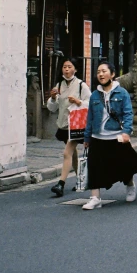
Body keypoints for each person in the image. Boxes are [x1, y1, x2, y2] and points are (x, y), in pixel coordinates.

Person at [82, 62, 137, 210]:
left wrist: (127, 132)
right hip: (98, 136)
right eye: (98, 71)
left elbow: (128, 114)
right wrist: (87, 137)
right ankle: (95, 198)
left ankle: (130, 184)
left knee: (124, 165)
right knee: (94, 167)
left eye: (104, 71)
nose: (100, 74)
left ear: (112, 74)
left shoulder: (122, 93)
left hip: (116, 136)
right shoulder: (94, 95)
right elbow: (90, 118)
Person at [46, 57, 91, 197]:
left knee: (67, 153)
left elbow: (90, 103)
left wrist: (78, 102)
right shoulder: (59, 85)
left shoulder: (81, 85)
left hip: (77, 126)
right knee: (73, 154)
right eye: (64, 67)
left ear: (75, 69)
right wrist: (53, 98)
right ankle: (81, 180)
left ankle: (61, 184)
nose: (66, 69)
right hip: (64, 125)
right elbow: (52, 108)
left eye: (69, 67)